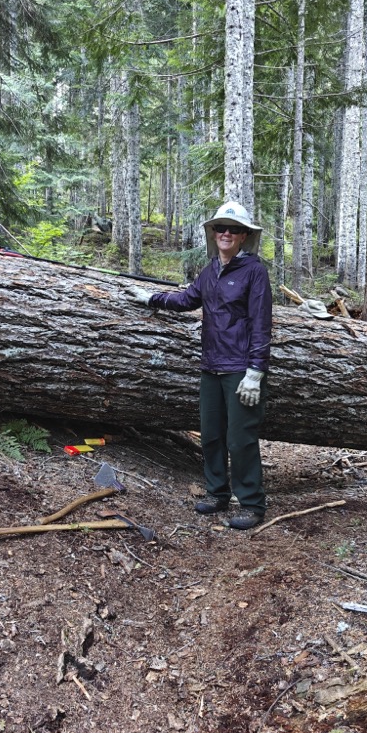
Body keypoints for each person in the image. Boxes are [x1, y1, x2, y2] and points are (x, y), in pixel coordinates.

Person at [126, 202, 272, 530]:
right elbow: (186, 299)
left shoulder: (254, 272)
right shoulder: (210, 271)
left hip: (240, 369)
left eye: (234, 229)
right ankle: (217, 493)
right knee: (211, 436)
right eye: (221, 227)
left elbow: (262, 324)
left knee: (240, 440)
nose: (226, 233)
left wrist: (255, 372)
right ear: (213, 232)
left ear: (244, 235)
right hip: (211, 367)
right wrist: (151, 298)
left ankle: (252, 504)